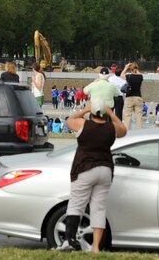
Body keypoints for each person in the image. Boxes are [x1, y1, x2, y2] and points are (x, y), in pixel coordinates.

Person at [58, 100, 127, 252]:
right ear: (104, 113)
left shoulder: (83, 124)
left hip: (85, 168)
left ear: (92, 113)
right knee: (99, 208)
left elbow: (69, 120)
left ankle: (69, 240)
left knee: (76, 205)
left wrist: (84, 110)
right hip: (105, 169)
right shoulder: (111, 127)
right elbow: (124, 130)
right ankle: (95, 247)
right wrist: (111, 113)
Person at [121, 62, 145, 130]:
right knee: (139, 116)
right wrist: (136, 69)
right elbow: (139, 73)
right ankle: (139, 132)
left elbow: (121, 75)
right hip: (138, 97)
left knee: (127, 116)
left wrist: (126, 67)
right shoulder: (140, 76)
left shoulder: (128, 76)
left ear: (130, 69)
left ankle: (127, 132)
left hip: (129, 97)